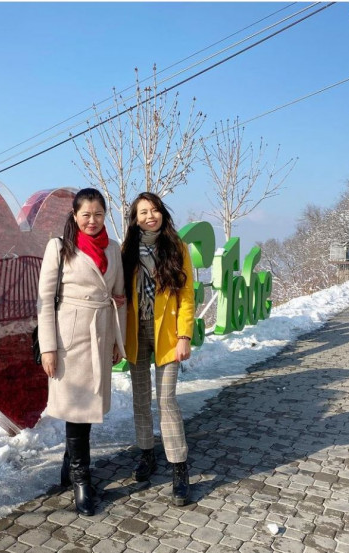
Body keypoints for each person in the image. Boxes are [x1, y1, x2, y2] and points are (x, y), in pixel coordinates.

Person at [36, 188, 126, 516]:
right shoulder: (59, 247)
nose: (92, 220)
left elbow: (119, 297)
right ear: (74, 216)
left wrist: (117, 340)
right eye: (85, 214)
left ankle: (69, 466)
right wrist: (48, 348)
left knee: (85, 408)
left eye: (98, 214)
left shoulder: (113, 248)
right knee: (78, 409)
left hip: (100, 334)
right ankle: (80, 478)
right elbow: (45, 300)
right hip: (70, 339)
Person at [121, 192, 195, 506]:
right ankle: (147, 455)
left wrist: (185, 336)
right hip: (135, 331)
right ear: (135, 218)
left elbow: (187, 294)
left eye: (154, 210)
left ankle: (179, 468)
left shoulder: (176, 246)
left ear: (162, 213)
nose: (150, 216)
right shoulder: (126, 250)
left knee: (166, 400)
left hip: (168, 332)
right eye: (143, 212)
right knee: (140, 398)